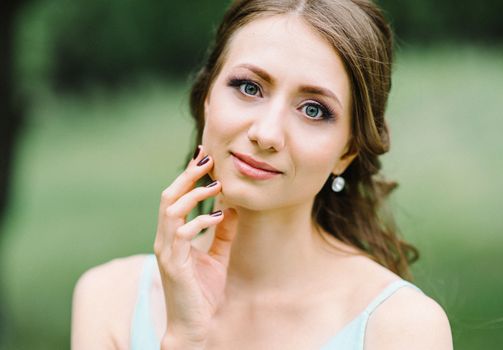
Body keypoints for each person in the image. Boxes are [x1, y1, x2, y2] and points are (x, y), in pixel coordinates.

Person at [71, 0, 453, 349]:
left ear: (347, 151)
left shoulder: (401, 328)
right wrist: (184, 338)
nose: (267, 134)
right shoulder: (108, 300)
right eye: (249, 87)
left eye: (313, 110)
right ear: (207, 98)